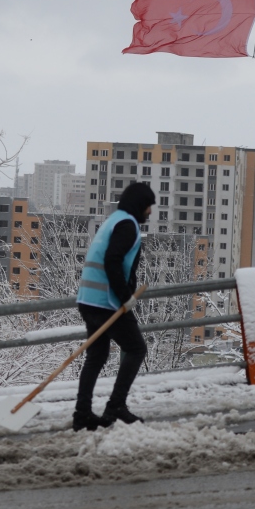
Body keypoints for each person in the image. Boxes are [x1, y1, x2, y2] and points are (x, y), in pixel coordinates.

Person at [73, 181, 156, 431]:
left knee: (96, 355)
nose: (150, 212)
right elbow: (112, 260)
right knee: (136, 348)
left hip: (88, 298)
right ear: (139, 205)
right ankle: (116, 405)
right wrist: (125, 297)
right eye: (149, 206)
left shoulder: (113, 220)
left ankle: (83, 413)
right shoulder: (127, 226)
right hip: (107, 301)